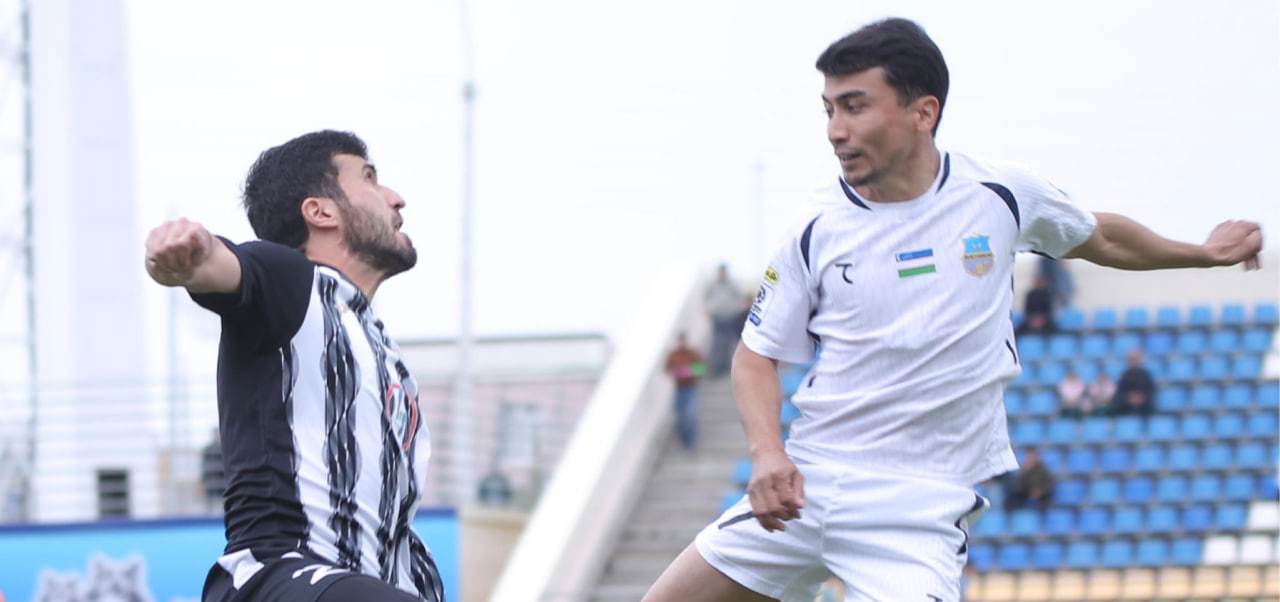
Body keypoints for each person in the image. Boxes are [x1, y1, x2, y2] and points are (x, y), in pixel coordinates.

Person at [643, 18, 1262, 602]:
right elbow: (755, 356)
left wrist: (1201, 254)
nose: (836, 130)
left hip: (915, 513)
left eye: (855, 106)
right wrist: (767, 453)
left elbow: (1100, 237)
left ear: (923, 112)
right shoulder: (814, 226)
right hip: (808, 485)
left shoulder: (999, 194)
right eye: (829, 110)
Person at [144, 131, 445, 602]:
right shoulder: (294, 282)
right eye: (370, 178)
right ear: (320, 212)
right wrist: (192, 256)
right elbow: (226, 266)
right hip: (275, 577)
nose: (396, 198)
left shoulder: (382, 350)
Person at [665, 333, 707, 450]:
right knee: (680, 416)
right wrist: (676, 373)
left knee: (691, 415)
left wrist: (688, 371)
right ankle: (683, 438)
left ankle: (690, 441)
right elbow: (668, 370)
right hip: (679, 388)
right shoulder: (673, 355)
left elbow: (702, 369)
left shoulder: (692, 354)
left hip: (690, 388)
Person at [705, 264, 746, 377]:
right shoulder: (713, 284)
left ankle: (729, 367)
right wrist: (709, 309)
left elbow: (739, 298)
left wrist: (735, 310)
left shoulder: (733, 284)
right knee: (717, 343)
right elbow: (707, 297)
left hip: (729, 316)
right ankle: (717, 367)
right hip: (717, 316)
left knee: (729, 342)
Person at [1112, 348, 1157, 417]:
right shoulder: (1124, 375)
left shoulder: (1146, 375)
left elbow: (1151, 391)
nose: (1134, 361)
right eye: (1131, 359)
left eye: (1135, 359)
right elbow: (1120, 392)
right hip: (1126, 407)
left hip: (1144, 408)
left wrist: (1142, 398)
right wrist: (1129, 398)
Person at [200, 427, 226, 514]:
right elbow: (203, 467)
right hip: (210, 485)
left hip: (222, 486)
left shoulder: (224, 448)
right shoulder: (207, 450)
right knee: (209, 509)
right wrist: (203, 484)